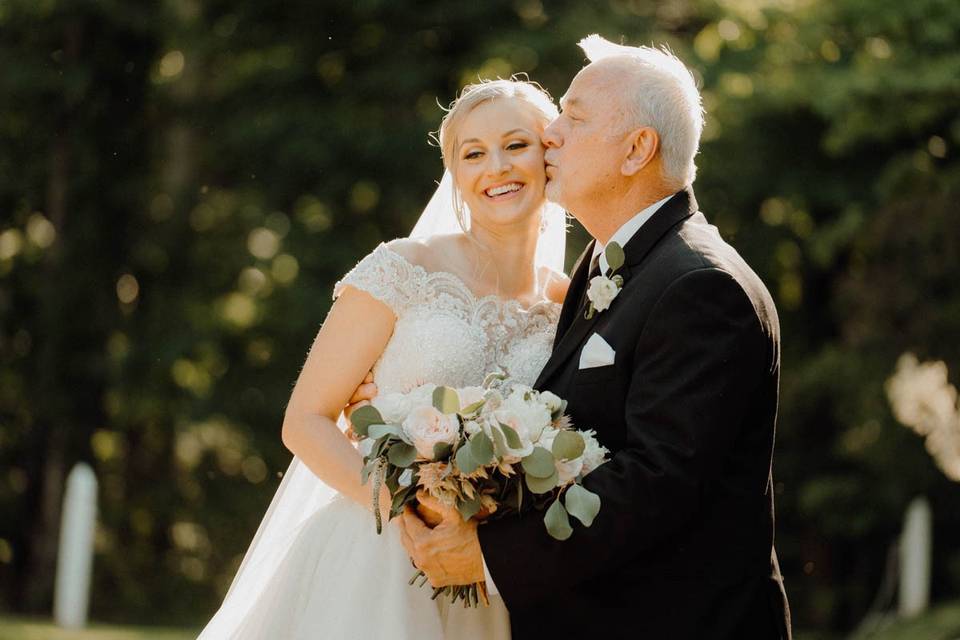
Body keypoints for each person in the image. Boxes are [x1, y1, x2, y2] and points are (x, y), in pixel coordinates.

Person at [394, 35, 793, 639]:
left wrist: (487, 556)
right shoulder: (608, 265)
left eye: (574, 117)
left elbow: (656, 482)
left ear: (637, 149)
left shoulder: (702, 286)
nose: (550, 133)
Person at [197, 77, 569, 639]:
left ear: (550, 153)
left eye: (516, 145)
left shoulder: (572, 304)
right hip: (374, 554)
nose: (497, 167)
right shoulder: (403, 269)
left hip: (487, 570)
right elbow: (305, 421)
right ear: (456, 177)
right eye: (473, 154)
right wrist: (410, 509)